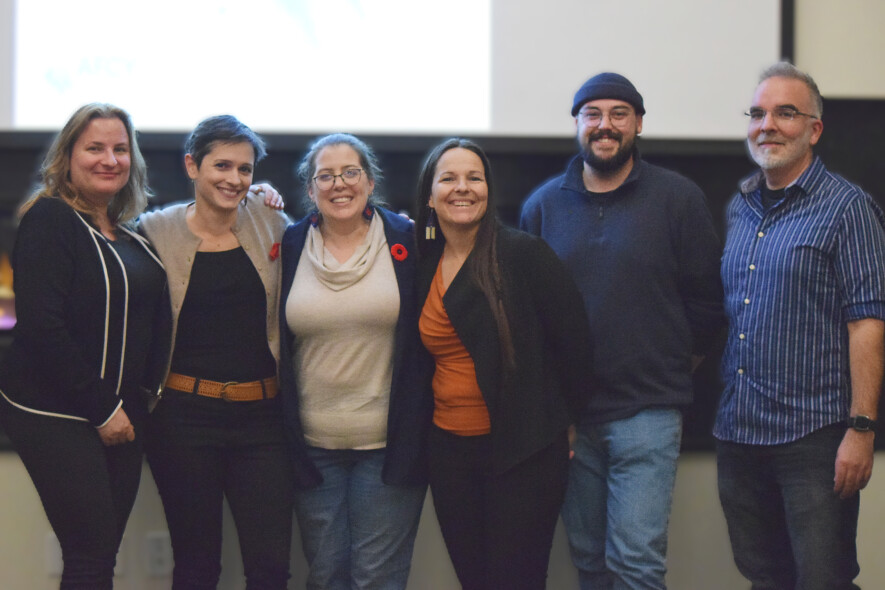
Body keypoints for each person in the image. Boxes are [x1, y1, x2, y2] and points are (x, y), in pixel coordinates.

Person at [520, 72, 724, 589]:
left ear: (637, 123)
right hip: (569, 420)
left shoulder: (678, 199)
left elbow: (707, 305)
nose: (605, 126)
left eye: (618, 114)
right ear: (577, 124)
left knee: (636, 565)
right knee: (589, 561)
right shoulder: (542, 207)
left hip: (648, 414)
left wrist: (669, 368)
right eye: (593, 114)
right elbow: (529, 316)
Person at [715, 62, 885, 590]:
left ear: (814, 129)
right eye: (758, 113)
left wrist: (860, 431)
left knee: (822, 578)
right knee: (764, 578)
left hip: (812, 440)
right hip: (738, 434)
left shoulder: (847, 208)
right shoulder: (740, 208)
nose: (767, 124)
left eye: (786, 113)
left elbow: (868, 324)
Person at [0, 103, 168, 589]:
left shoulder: (132, 236)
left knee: (95, 558)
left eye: (120, 149)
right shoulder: (50, 219)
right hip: (58, 413)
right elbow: (41, 328)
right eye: (94, 148)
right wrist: (102, 409)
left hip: (121, 414)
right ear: (68, 156)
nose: (109, 159)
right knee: (91, 555)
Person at [415, 138, 591, 589]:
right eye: (449, 178)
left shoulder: (524, 254)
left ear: (489, 190)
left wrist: (563, 423)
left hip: (524, 452)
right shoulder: (421, 261)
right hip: (449, 453)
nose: (463, 188)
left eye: (474, 178)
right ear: (429, 195)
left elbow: (575, 347)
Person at [139, 115, 294, 589]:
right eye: (221, 165)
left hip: (264, 420)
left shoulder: (271, 221)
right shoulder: (154, 230)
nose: (234, 179)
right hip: (184, 420)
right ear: (192, 165)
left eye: (244, 170)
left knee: (270, 567)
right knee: (196, 565)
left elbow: (327, 246)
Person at [278, 133, 430, 590]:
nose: (338, 184)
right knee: (325, 577)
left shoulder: (408, 239)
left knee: (375, 579)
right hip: (312, 448)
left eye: (350, 172)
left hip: (389, 448)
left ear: (369, 181)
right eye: (325, 175)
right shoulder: (288, 244)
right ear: (309, 189)